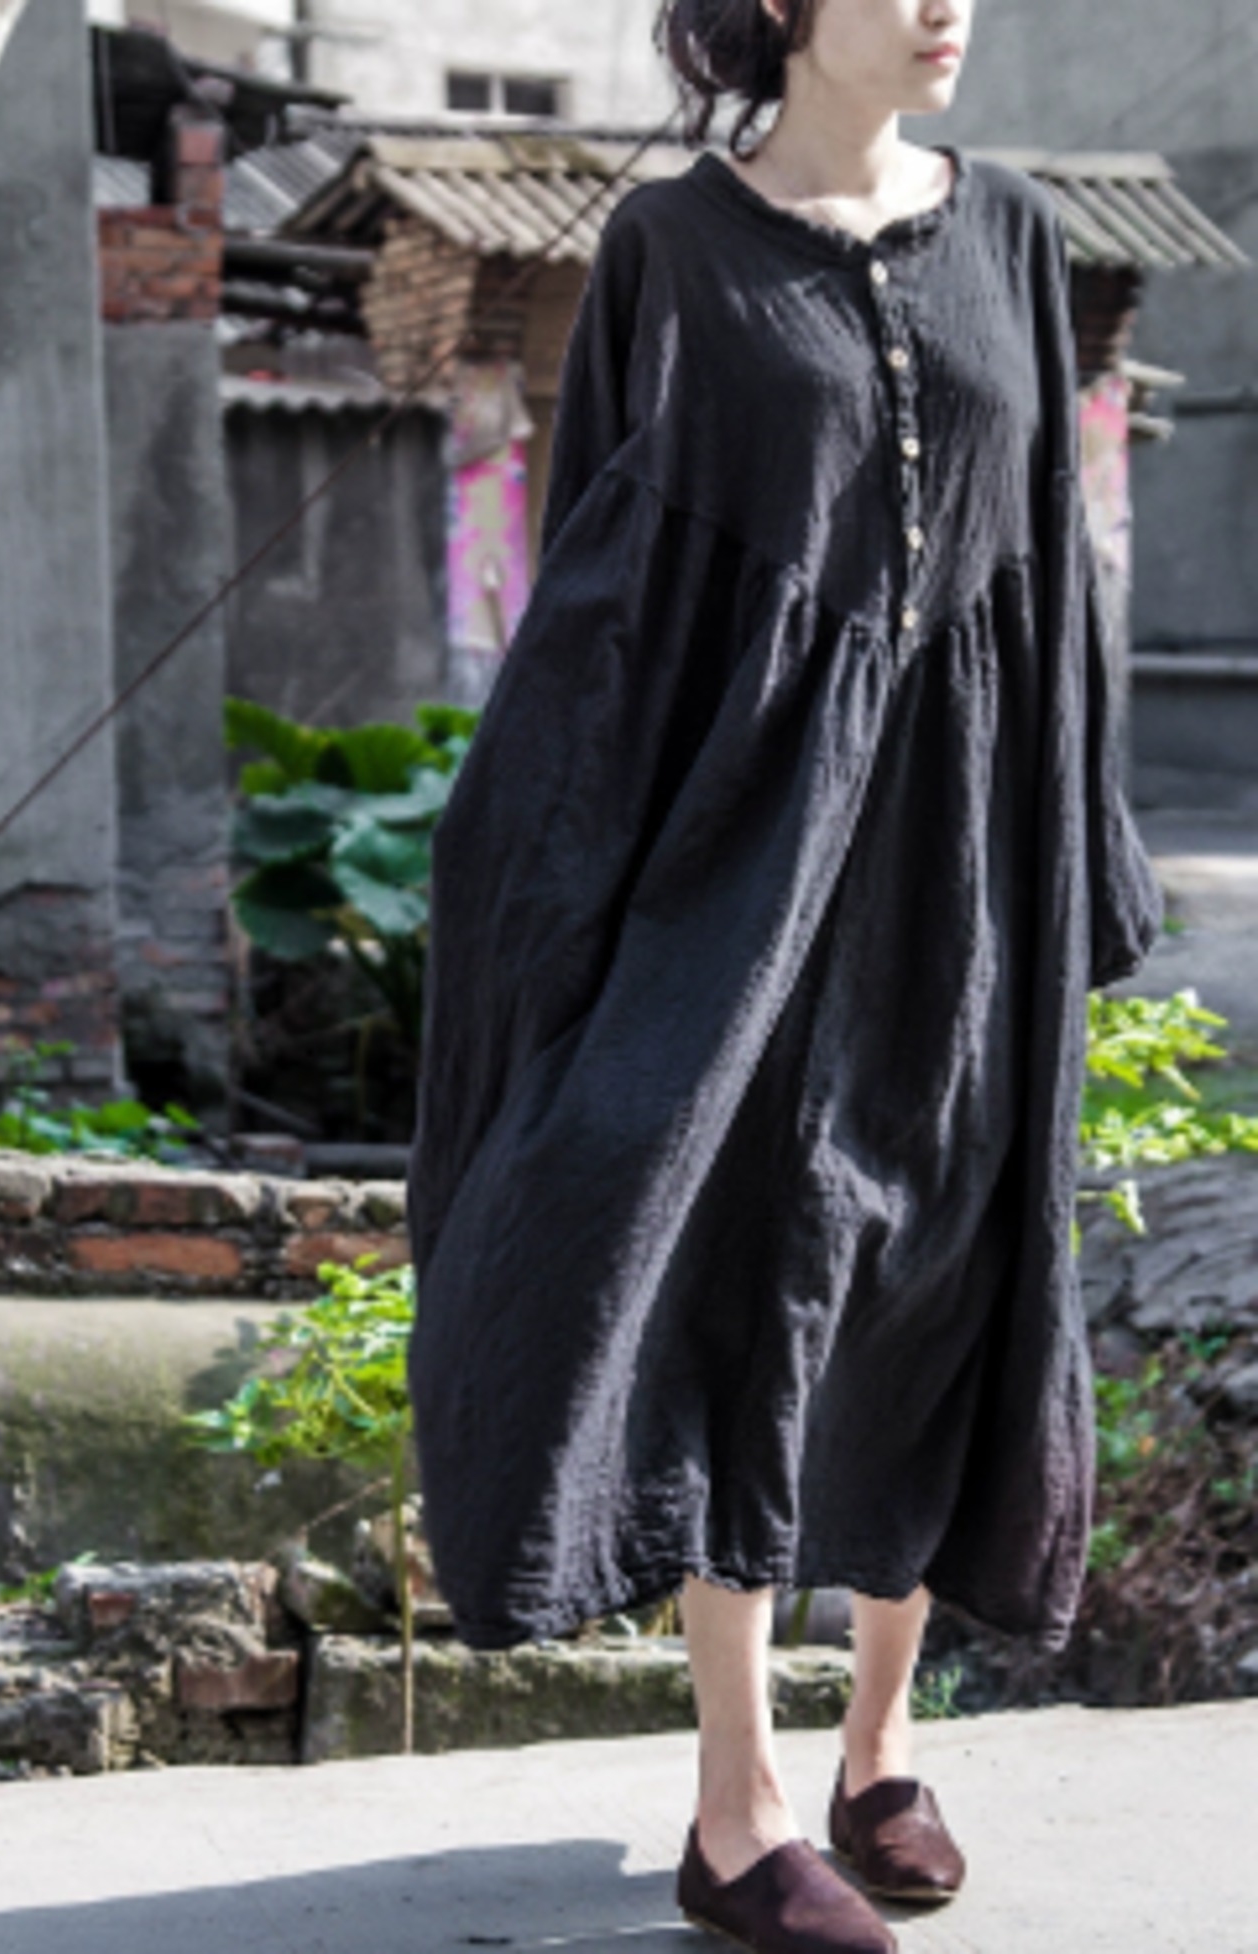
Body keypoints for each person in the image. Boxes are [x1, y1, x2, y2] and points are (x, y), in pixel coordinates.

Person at [404, 1, 1164, 1948]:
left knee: (941, 1262)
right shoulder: (673, 245)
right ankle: (735, 1807)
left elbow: (1052, 562)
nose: (943, 7)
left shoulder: (1010, 227)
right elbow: (605, 570)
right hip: (748, 847)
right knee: (737, 1264)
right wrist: (555, 862)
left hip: (966, 844)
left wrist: (1085, 843)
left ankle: (881, 1751)